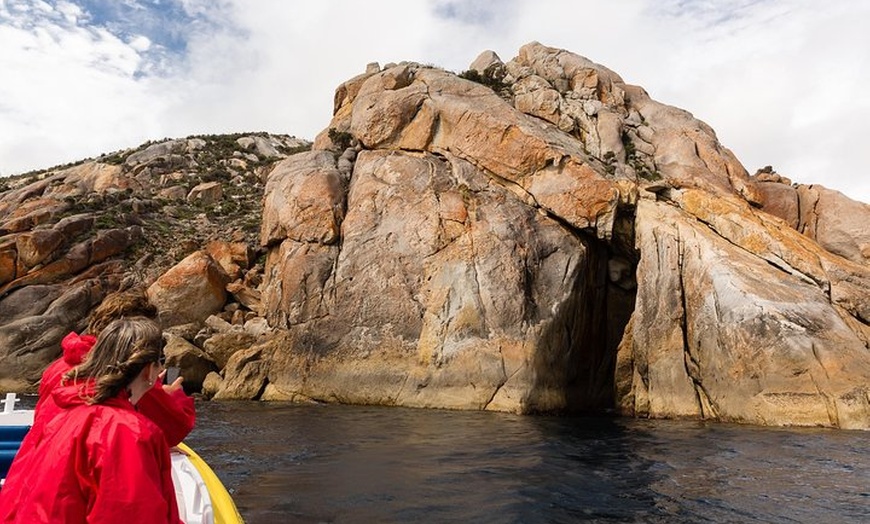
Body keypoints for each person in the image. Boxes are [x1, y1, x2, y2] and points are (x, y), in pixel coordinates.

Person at [0, 317, 183, 523]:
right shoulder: (128, 433)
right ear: (149, 370)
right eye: (160, 361)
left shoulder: (65, 415)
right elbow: (132, 514)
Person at [34, 288, 195, 447]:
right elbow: (175, 428)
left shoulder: (57, 368)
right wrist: (173, 395)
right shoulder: (127, 372)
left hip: (45, 452)